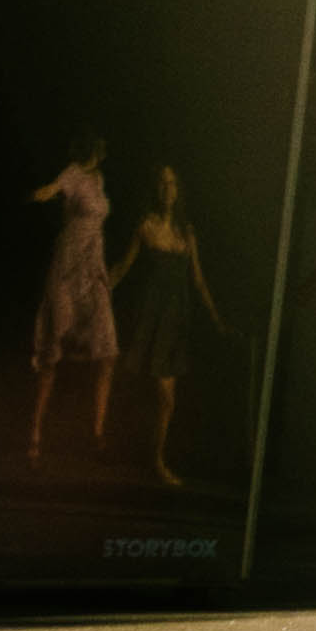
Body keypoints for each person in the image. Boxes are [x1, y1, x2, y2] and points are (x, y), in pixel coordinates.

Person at [111, 163, 232, 487]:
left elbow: (198, 280)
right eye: (162, 183)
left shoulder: (186, 232)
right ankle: (145, 459)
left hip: (176, 319)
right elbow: (123, 266)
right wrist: (95, 290)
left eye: (173, 183)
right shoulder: (146, 226)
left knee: (166, 398)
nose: (168, 189)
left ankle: (154, 461)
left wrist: (218, 318)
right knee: (150, 392)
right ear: (156, 189)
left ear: (178, 190)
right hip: (151, 317)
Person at [24, 134, 122, 454]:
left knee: (107, 351)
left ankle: (97, 433)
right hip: (68, 266)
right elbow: (54, 189)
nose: (96, 153)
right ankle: (35, 436)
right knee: (53, 349)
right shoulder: (73, 174)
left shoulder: (98, 178)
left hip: (92, 270)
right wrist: (36, 195)